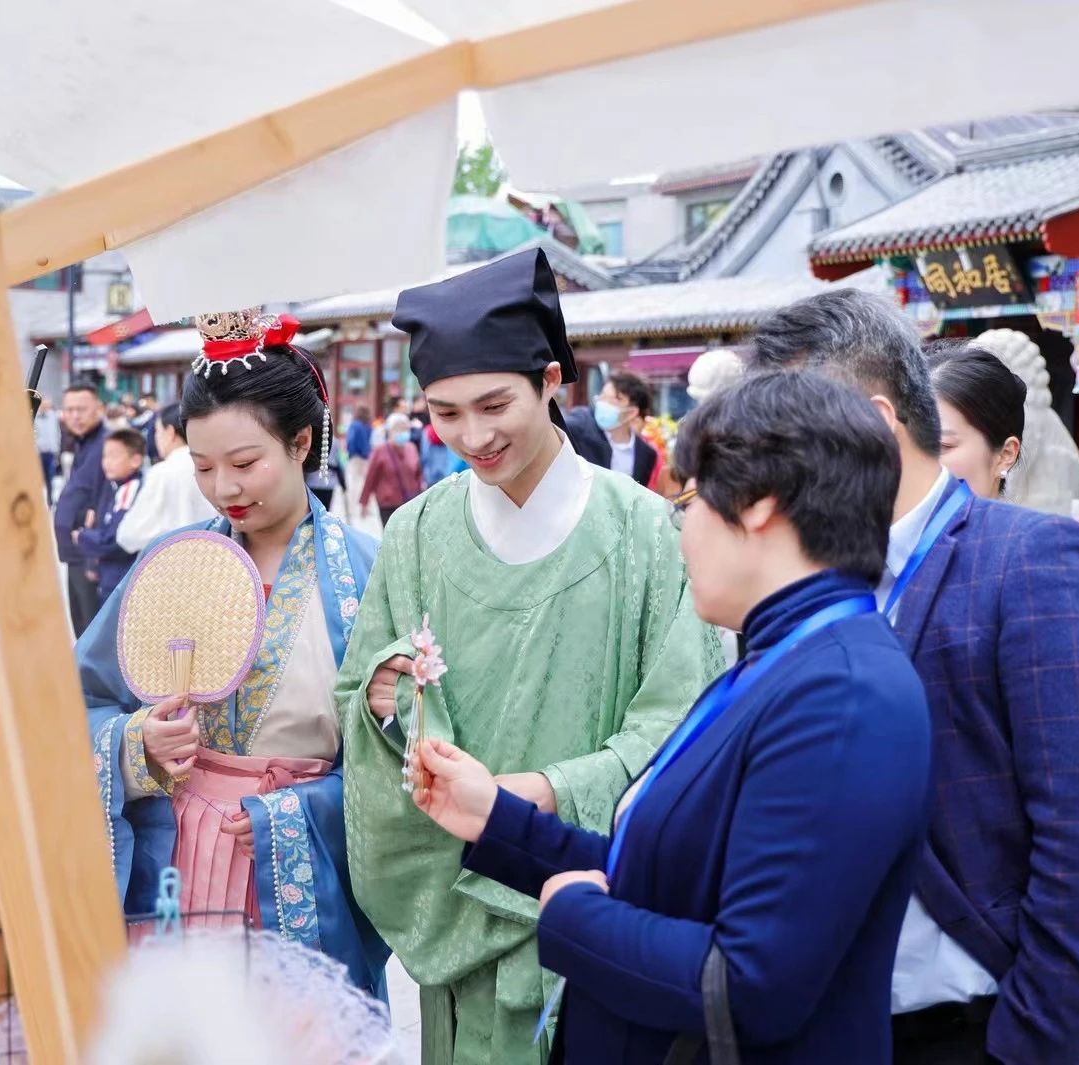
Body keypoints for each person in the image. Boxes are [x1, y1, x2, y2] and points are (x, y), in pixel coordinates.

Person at [408, 370, 932, 1063]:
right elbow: (661, 877)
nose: (681, 534)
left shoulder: (844, 695)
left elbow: (748, 983)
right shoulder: (785, 661)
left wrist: (573, 918)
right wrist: (497, 820)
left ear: (757, 507)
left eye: (688, 505)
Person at [751, 290, 1079, 1065]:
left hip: (980, 1020)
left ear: (876, 424)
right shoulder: (795, 571)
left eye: (787, 435)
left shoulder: (1032, 558)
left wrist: (1024, 1045)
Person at [338, 248, 723, 1064]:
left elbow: (687, 718)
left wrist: (541, 797)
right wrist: (378, 702)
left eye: (493, 403)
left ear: (553, 379)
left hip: (592, 903)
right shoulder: (412, 534)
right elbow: (359, 701)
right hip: (454, 903)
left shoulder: (644, 531)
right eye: (445, 413)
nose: (472, 436)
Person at [77, 310, 388, 998]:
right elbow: (79, 695)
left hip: (299, 863)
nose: (225, 488)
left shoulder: (372, 573)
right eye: (203, 466)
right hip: (173, 863)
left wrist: (305, 811)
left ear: (302, 441)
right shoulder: (173, 561)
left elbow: (400, 759)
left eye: (245, 463)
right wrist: (135, 744)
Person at [927, 341, 1079, 781]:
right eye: (908, 443)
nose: (923, 464)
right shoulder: (875, 575)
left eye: (942, 444)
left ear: (1005, 453)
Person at [116, 402, 218, 554]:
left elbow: (129, 534)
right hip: (215, 558)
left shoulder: (162, 472)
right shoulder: (214, 465)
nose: (156, 438)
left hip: (172, 564)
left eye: (157, 431)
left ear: (170, 432)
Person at [55, 383, 109, 637]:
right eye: (69, 410)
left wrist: (93, 555)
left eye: (81, 409)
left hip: (89, 551)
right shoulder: (81, 442)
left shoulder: (106, 446)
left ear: (99, 408)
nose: (74, 416)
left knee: (91, 631)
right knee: (81, 628)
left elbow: (103, 499)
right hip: (75, 552)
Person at [77, 428, 147, 604]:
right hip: (112, 576)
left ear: (135, 460)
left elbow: (114, 539)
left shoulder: (129, 490)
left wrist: (82, 536)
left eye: (114, 456)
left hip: (121, 579)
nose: (107, 462)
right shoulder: (117, 487)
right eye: (105, 456)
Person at [592, 372, 660, 488]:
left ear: (631, 412)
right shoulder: (582, 433)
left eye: (612, 400)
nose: (603, 403)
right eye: (602, 396)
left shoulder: (647, 454)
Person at [358, 412, 422, 526]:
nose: (402, 432)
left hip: (410, 502)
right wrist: (364, 502)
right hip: (388, 504)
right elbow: (371, 478)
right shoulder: (380, 451)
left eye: (405, 429)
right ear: (390, 431)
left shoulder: (411, 448)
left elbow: (418, 474)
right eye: (398, 429)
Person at [33, 396, 62, 504]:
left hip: (50, 452)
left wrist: (57, 448)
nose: (47, 407)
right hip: (38, 452)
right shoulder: (34, 416)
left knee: (50, 477)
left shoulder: (53, 416)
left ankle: (50, 499)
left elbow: (57, 432)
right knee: (38, 478)